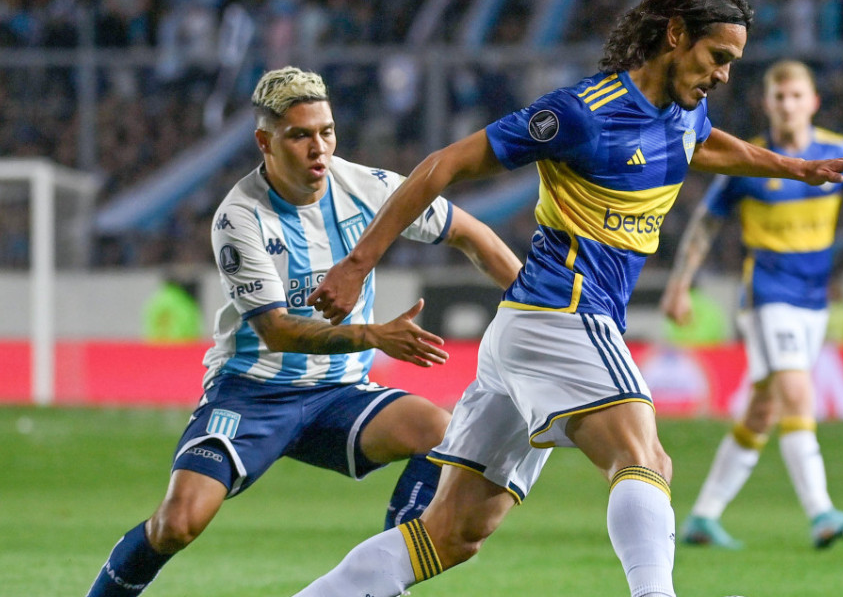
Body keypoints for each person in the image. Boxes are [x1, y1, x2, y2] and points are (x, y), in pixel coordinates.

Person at [295, 0, 843, 597]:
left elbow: (703, 145)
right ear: (676, 34)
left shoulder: (685, 110)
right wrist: (358, 264)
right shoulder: (581, 113)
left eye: (734, 63)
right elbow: (445, 165)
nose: (723, 76)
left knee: (450, 535)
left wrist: (796, 168)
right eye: (718, 58)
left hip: (521, 333)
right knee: (645, 458)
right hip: (565, 314)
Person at [84, 66, 522, 597]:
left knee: (439, 430)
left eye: (327, 132)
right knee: (177, 523)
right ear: (264, 142)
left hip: (338, 394)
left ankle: (383, 582)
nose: (319, 149)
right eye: (300, 135)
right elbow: (277, 332)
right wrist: (372, 336)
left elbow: (474, 236)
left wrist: (534, 302)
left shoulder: (370, 188)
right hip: (251, 392)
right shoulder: (239, 217)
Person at [660, 59, 843, 551]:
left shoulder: (836, 152)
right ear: (767, 104)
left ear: (813, 102)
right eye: (778, 97)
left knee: (763, 410)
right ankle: (821, 513)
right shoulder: (750, 158)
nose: (787, 105)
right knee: (797, 394)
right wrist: (680, 284)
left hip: (813, 300)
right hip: (768, 295)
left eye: (795, 96)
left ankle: (702, 517)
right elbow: (705, 223)